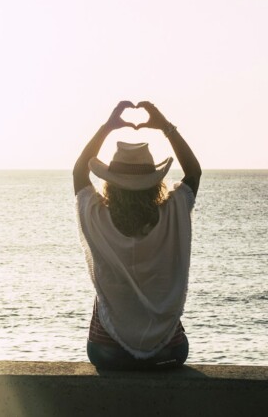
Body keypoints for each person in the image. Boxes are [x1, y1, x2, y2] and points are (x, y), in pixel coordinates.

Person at [73, 101, 201, 370]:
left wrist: (107, 127)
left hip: (107, 350)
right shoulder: (172, 214)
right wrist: (165, 126)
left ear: (110, 181)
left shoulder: (98, 218)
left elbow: (78, 172)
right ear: (155, 183)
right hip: (168, 350)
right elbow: (194, 172)